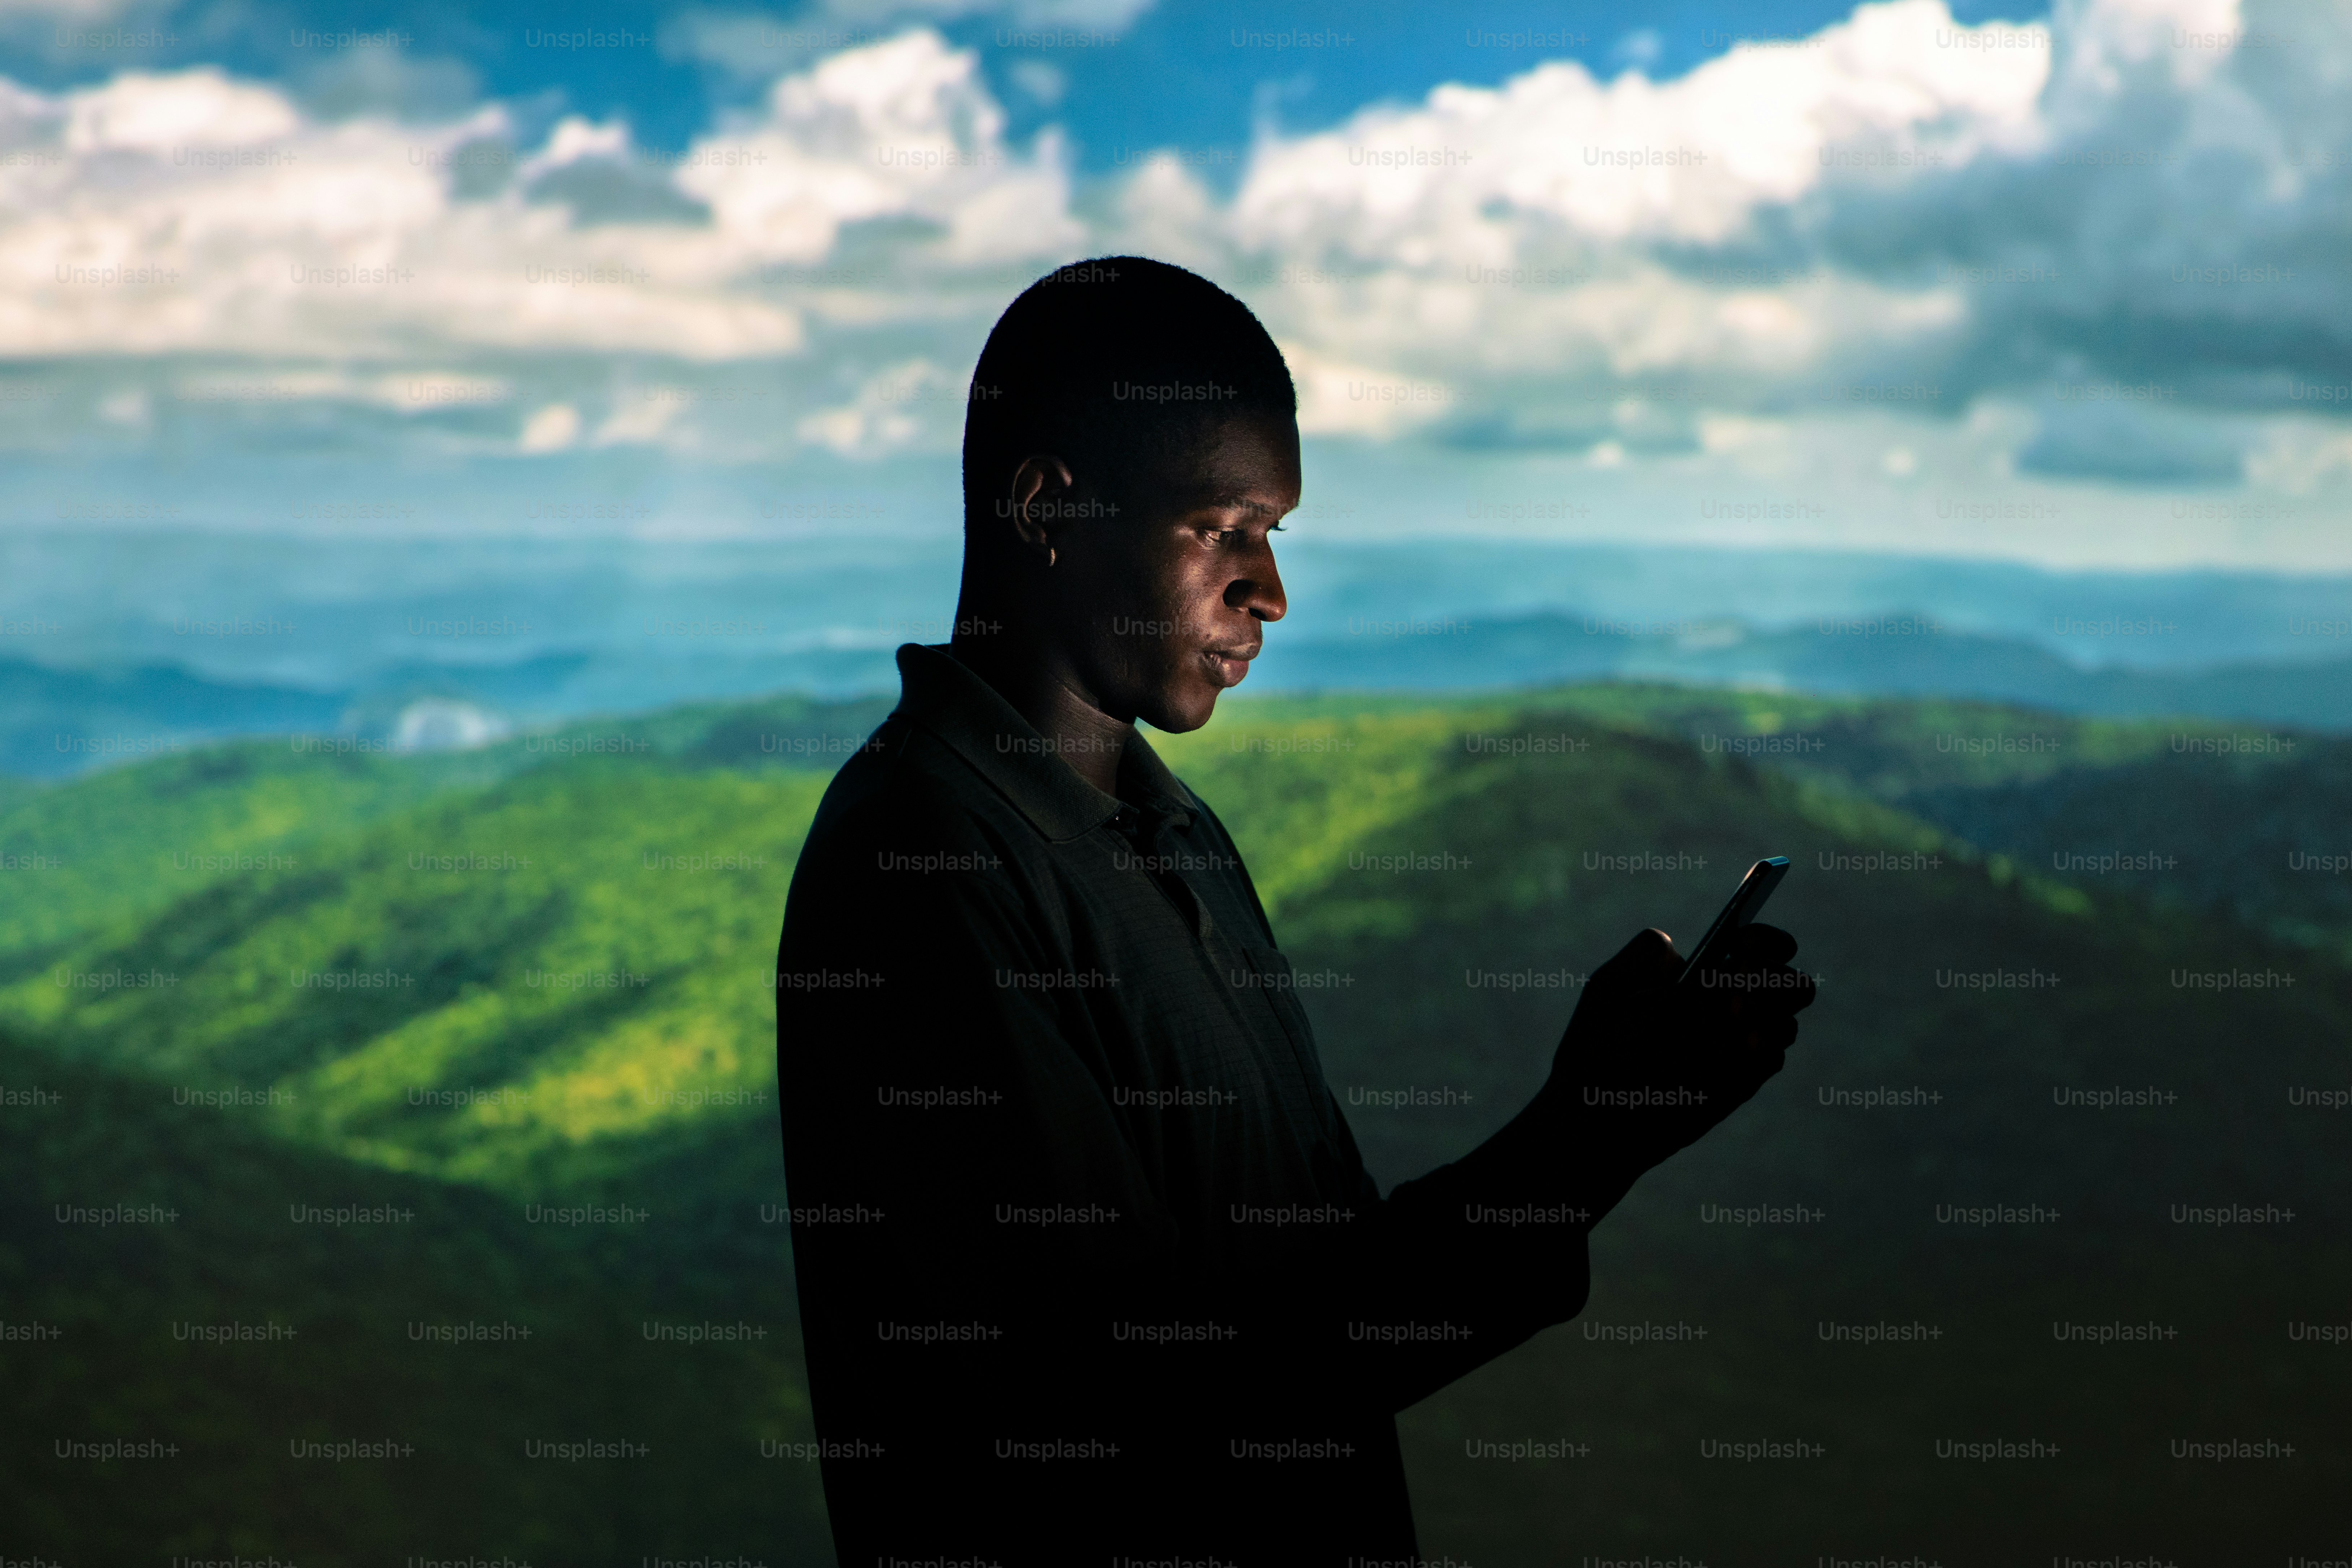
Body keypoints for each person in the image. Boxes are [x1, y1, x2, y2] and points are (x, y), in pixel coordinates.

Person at [775, 256, 1817, 1564]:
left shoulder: (1178, 837)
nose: (1269, 590)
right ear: (1048, 508)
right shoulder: (921, 868)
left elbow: (1316, 1297)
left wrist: (1599, 1129)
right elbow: (1134, 1416)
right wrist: (1576, 1146)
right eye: (1222, 528)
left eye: (1273, 535)